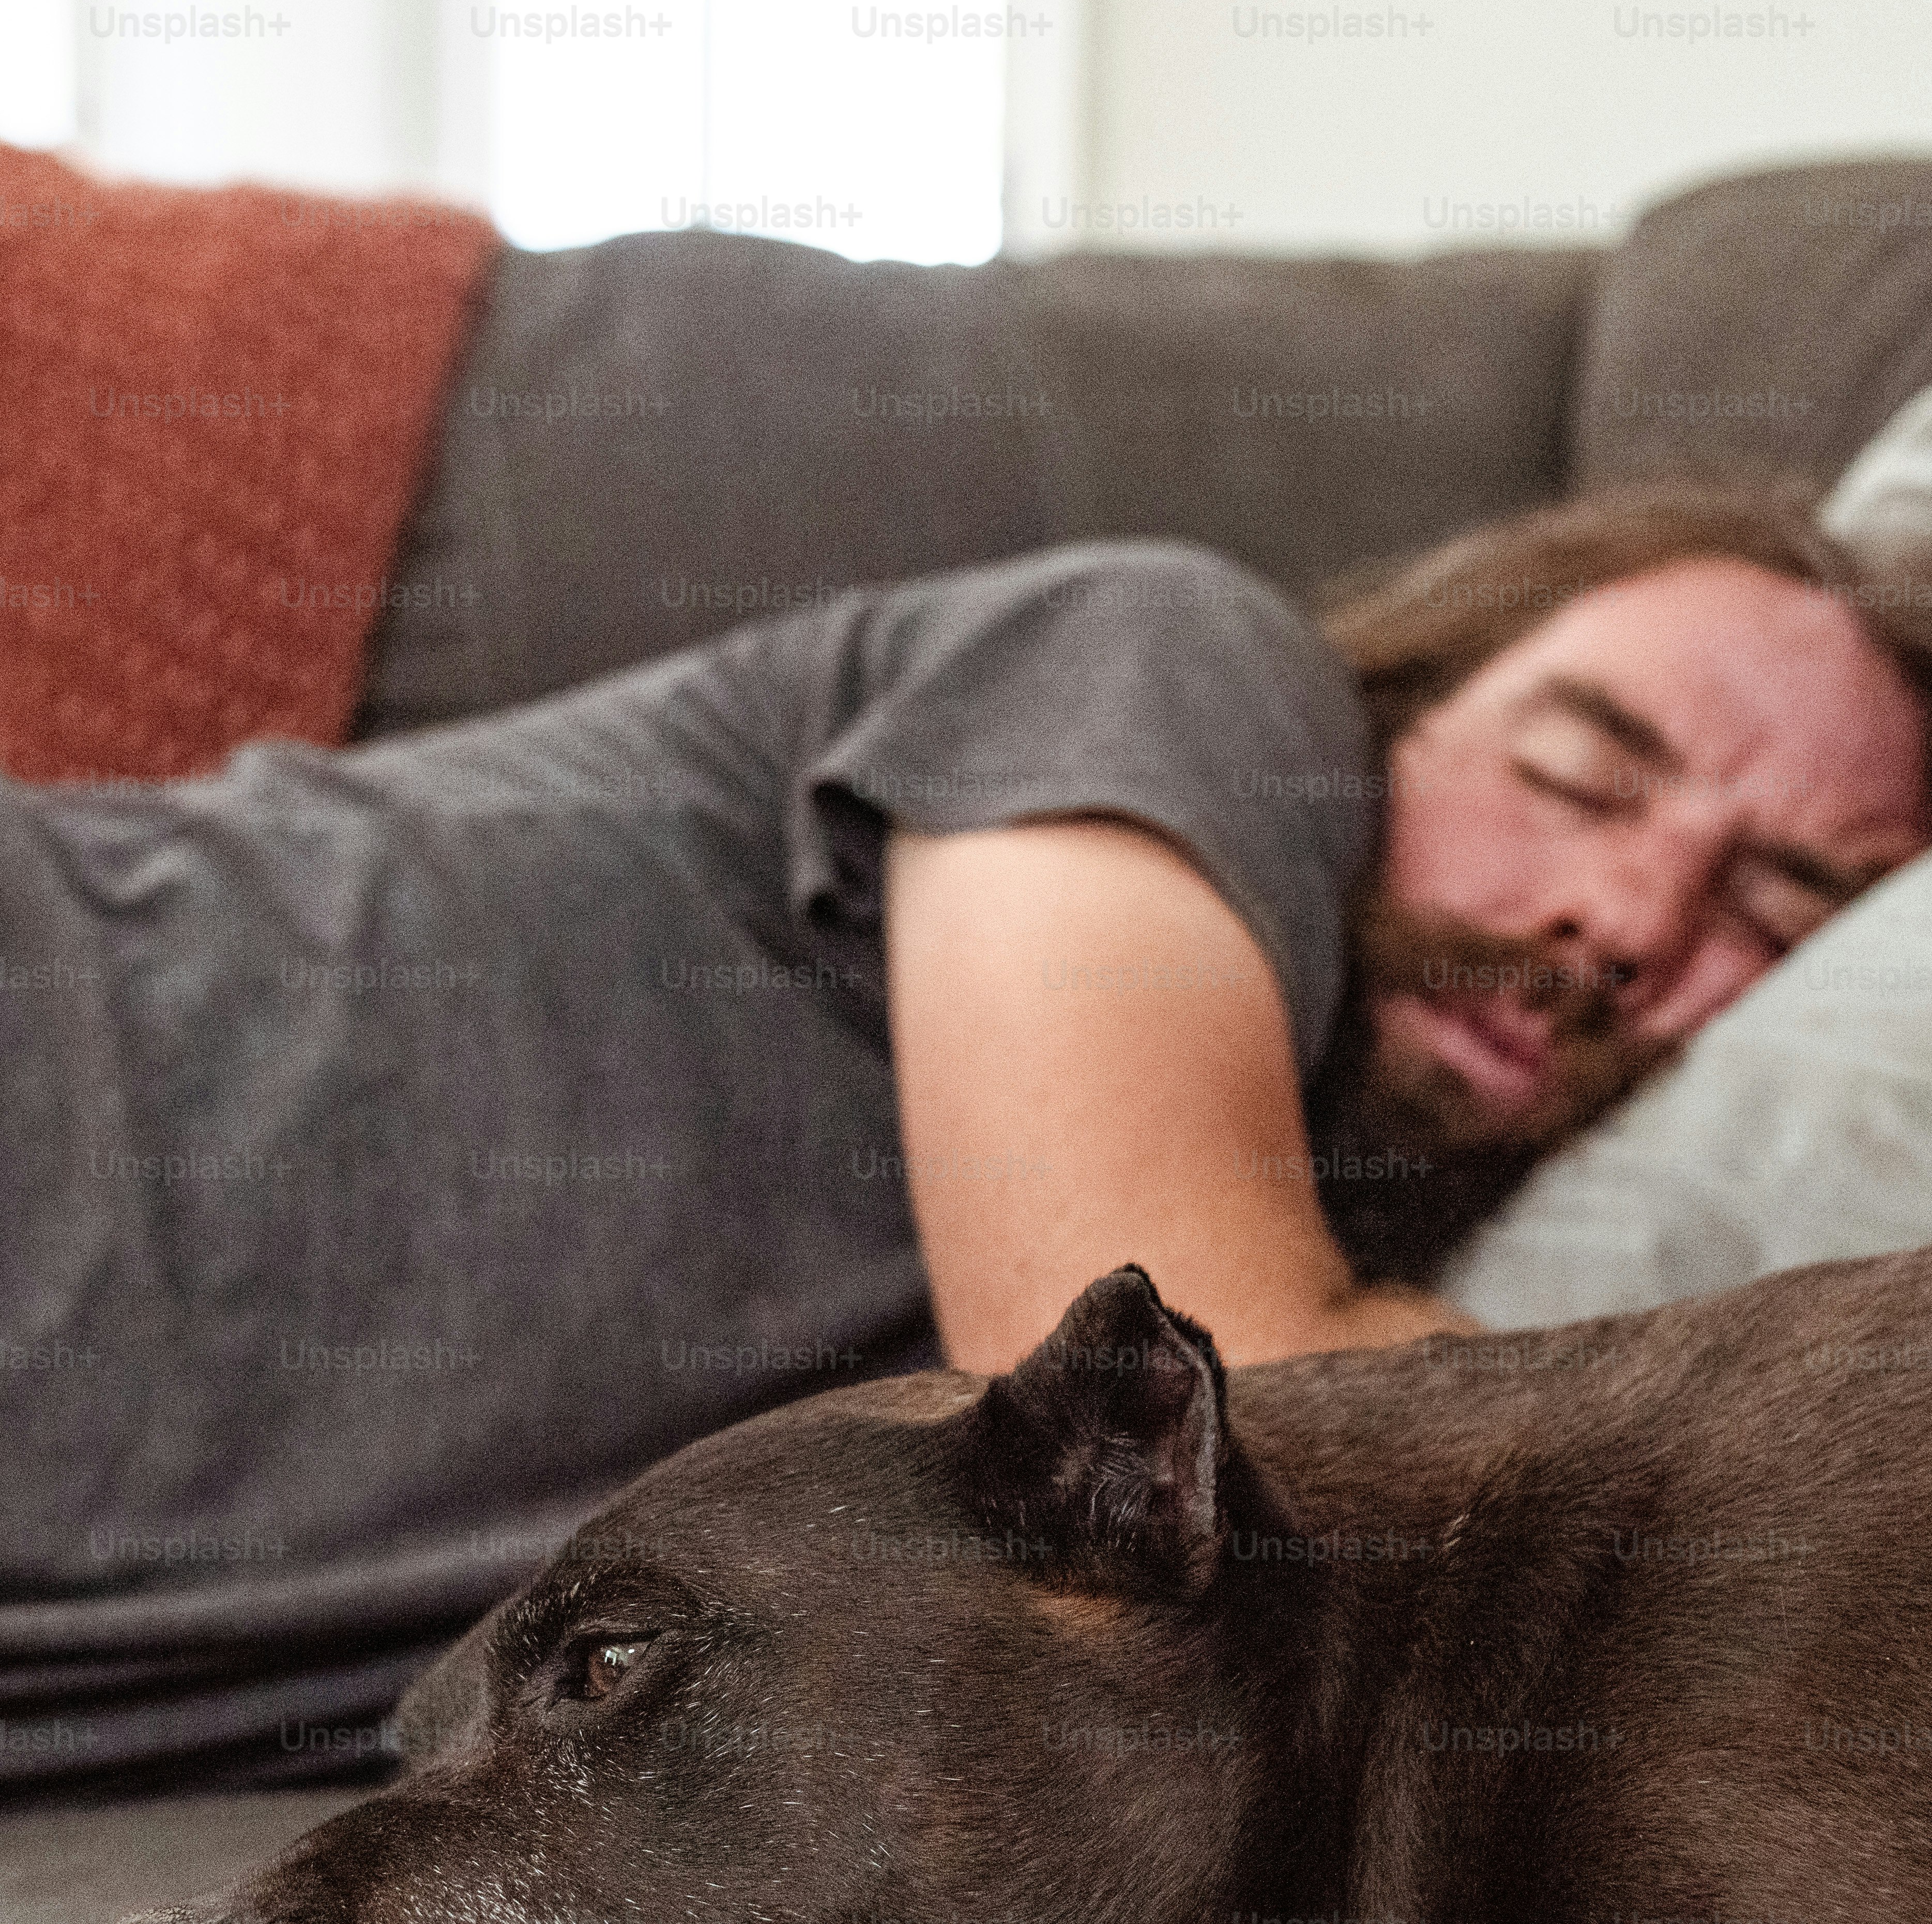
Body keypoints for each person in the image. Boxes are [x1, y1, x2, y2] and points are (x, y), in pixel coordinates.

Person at [1, 477, 1926, 1778]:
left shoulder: (1381, 1234)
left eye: (1775, 910)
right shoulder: (1163, 658)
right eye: (1577, 772)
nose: (1625, 922)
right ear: (1393, 705)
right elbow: (1242, 1389)